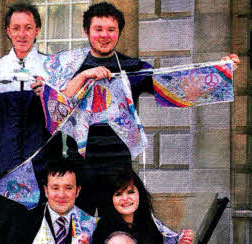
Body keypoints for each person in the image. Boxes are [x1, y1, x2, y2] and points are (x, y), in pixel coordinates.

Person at [38, 1, 241, 215]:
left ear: (119, 33)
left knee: (116, 232)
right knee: (78, 233)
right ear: (87, 31)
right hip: (78, 166)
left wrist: (221, 70)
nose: (105, 35)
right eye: (98, 29)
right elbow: (57, 106)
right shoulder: (70, 66)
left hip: (119, 165)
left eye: (111, 30)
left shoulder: (133, 67)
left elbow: (174, 85)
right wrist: (84, 76)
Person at [0, 2, 61, 179]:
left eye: (28, 28)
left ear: (37, 30)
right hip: (0, 168)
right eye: (16, 28)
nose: (22, 34)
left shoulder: (53, 69)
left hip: (43, 168)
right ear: (8, 30)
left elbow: (66, 118)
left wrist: (50, 95)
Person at [91, 166, 193, 244]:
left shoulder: (152, 225)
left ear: (139, 193)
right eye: (118, 194)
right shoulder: (102, 231)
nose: (125, 198)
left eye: (130, 192)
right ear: (110, 200)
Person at [15, 158, 97, 244]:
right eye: (55, 188)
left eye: (68, 188)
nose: (61, 195)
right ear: (46, 190)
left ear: (78, 191)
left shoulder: (89, 224)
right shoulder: (26, 222)